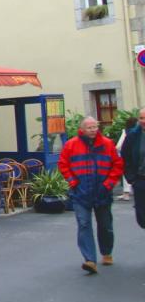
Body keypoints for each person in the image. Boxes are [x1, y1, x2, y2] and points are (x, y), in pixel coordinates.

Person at [58, 116, 123, 273]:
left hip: (102, 192)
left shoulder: (107, 144)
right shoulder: (71, 145)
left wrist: (108, 184)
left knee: (105, 225)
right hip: (81, 193)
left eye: (95, 127)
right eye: (89, 127)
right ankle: (90, 260)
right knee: (84, 224)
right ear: (82, 129)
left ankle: (106, 252)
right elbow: (63, 164)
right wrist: (73, 182)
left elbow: (118, 164)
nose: (93, 130)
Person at [119, 107, 145, 228]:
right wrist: (132, 179)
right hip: (140, 180)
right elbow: (125, 157)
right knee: (142, 217)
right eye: (141, 118)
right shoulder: (132, 136)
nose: (143, 121)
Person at [115, 114, 138, 201]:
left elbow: (118, 146)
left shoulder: (126, 131)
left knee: (126, 173)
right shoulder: (138, 132)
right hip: (133, 155)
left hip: (126, 156)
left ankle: (126, 193)